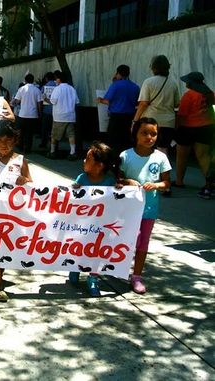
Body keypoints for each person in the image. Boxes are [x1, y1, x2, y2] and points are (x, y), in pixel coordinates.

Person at [0, 119, 33, 302]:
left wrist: (24, 181)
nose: (4, 145)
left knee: (8, 246)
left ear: (15, 141)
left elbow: (31, 184)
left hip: (14, 214)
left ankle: (0, 272)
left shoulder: (21, 160)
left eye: (8, 141)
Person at [118, 117, 171, 294]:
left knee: (143, 242)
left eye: (153, 134)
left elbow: (166, 183)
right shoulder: (125, 156)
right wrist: (127, 181)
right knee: (126, 239)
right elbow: (116, 180)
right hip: (127, 209)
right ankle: (117, 268)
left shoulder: (161, 157)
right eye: (145, 133)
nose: (149, 137)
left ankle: (137, 275)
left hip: (149, 210)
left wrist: (155, 185)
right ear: (135, 134)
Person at [68, 141, 118, 297]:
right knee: (80, 249)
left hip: (102, 226)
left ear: (99, 165)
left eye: (88, 158)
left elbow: (117, 200)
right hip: (83, 225)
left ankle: (93, 278)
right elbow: (72, 195)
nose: (84, 161)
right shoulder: (82, 178)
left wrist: (122, 190)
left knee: (97, 253)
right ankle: (75, 268)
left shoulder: (110, 181)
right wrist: (74, 188)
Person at [133, 55, 179, 196]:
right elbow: (177, 104)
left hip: (152, 122)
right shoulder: (173, 83)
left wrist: (135, 120)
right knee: (163, 151)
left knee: (147, 150)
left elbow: (143, 103)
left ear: (154, 67)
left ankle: (150, 179)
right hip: (169, 121)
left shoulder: (149, 82)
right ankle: (165, 184)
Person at [174, 72, 215, 199]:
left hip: (188, 128)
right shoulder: (210, 93)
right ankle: (210, 184)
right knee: (204, 157)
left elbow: (182, 115)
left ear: (191, 83)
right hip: (206, 128)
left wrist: (177, 129)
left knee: (181, 155)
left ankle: (179, 181)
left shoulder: (189, 95)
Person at [96, 64, 140, 155]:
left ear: (118, 73)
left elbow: (107, 100)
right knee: (127, 139)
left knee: (113, 140)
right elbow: (137, 102)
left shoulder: (115, 85)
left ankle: (114, 158)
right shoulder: (135, 87)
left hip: (116, 116)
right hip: (130, 116)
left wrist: (99, 100)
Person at [47, 70, 80, 160]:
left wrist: (45, 99)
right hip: (70, 116)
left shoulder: (57, 89)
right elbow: (77, 101)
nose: (55, 81)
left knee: (54, 135)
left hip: (59, 116)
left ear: (59, 80)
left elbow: (53, 101)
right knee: (71, 135)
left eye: (56, 79)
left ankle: (52, 151)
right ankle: (72, 152)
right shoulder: (72, 89)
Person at [12, 73, 42, 153]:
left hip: (22, 114)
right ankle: (28, 148)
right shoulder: (37, 90)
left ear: (25, 80)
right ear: (33, 80)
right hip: (33, 114)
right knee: (30, 133)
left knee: (21, 131)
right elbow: (39, 104)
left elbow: (17, 101)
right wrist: (39, 114)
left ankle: (20, 146)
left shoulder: (21, 89)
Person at [40, 72, 57, 149]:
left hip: (46, 110)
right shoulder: (57, 86)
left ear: (46, 78)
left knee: (45, 129)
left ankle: (44, 143)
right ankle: (54, 144)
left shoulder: (44, 86)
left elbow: (40, 98)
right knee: (54, 129)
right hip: (56, 111)